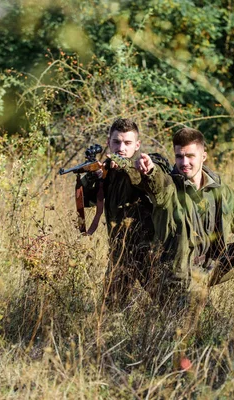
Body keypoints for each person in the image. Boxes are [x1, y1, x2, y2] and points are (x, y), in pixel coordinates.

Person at [129, 127, 234, 311]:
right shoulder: (170, 188)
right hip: (179, 277)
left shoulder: (220, 191)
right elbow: (156, 182)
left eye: (190, 156)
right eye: (179, 157)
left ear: (203, 156)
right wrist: (149, 170)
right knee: (210, 330)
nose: (184, 163)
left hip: (211, 266)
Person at [81, 118, 171, 310]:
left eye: (128, 143)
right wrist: (92, 177)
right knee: (109, 311)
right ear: (109, 142)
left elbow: (155, 184)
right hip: (119, 256)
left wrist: (123, 163)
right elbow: (87, 201)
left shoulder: (146, 164)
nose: (122, 148)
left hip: (149, 254)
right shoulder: (108, 172)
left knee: (171, 307)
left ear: (137, 145)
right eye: (117, 142)